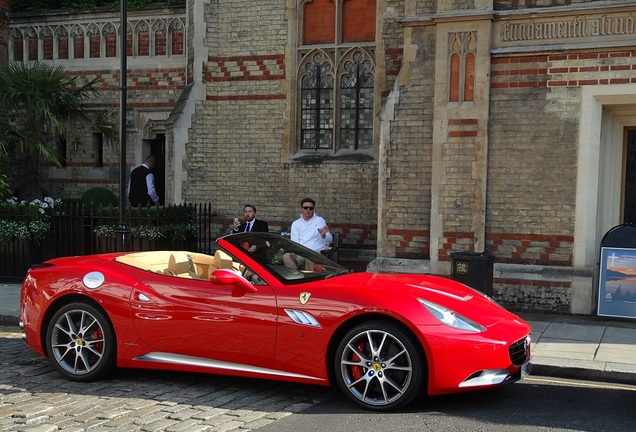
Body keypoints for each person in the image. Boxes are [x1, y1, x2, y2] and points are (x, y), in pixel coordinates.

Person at [283, 198, 332, 270]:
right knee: (286, 256)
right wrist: (296, 253)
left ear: (313, 209)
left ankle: (309, 279)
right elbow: (294, 242)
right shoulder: (296, 223)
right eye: (306, 208)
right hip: (301, 253)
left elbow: (330, 240)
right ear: (301, 209)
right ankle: (296, 277)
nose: (308, 210)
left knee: (309, 258)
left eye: (310, 208)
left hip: (316, 253)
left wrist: (323, 235)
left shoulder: (320, 220)